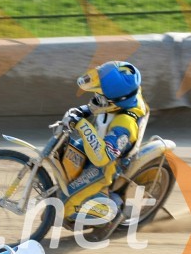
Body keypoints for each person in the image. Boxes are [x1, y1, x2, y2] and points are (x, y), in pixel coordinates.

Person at [60, 60, 149, 241]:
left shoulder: (125, 124)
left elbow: (103, 157)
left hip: (108, 164)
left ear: (115, 102)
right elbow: (98, 106)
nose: (95, 99)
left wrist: (81, 123)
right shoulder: (126, 94)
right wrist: (84, 111)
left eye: (99, 96)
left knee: (65, 208)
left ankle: (111, 215)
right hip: (97, 145)